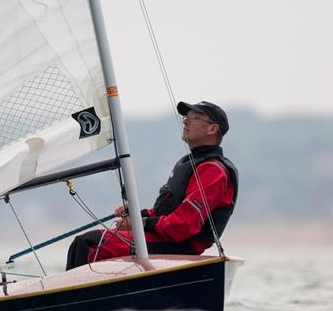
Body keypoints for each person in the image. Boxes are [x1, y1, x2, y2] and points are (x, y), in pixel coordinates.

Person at [66, 100, 239, 270]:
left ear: (212, 129)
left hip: (180, 245)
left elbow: (184, 225)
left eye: (194, 118)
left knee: (87, 244)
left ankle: (74, 297)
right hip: (167, 239)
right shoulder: (190, 163)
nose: (185, 120)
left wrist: (140, 223)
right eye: (186, 116)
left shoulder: (212, 170)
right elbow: (164, 211)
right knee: (80, 243)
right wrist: (135, 214)